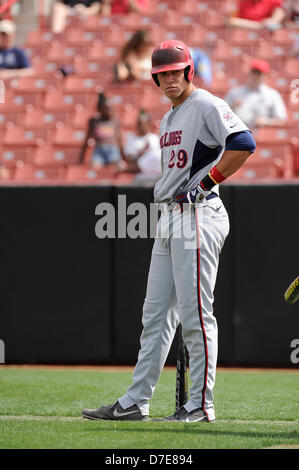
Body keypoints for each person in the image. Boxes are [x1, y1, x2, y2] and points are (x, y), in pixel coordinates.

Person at [82, 39, 256, 423]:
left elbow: (243, 142)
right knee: (156, 315)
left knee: (195, 314)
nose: (169, 78)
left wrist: (207, 182)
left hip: (197, 213)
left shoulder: (207, 104)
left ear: (188, 71)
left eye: (175, 71)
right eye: (161, 74)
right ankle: (136, 401)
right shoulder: (168, 117)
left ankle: (201, 404)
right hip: (169, 215)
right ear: (155, 79)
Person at [224, 59, 288, 128]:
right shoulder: (235, 92)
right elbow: (221, 114)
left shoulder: (272, 94)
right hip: (237, 130)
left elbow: (282, 119)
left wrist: (266, 122)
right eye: (254, 73)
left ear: (265, 76)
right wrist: (232, 107)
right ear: (249, 73)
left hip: (262, 133)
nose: (255, 76)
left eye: (259, 74)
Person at [117, 109, 161, 182]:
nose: (141, 126)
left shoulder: (155, 139)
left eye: (144, 124)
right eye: (139, 124)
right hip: (140, 178)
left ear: (148, 124)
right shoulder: (131, 141)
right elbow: (129, 160)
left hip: (157, 177)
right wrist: (142, 152)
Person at [79, 92, 121, 166]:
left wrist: (124, 158)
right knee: (96, 168)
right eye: (107, 108)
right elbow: (87, 139)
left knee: (113, 168)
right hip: (99, 151)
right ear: (101, 108)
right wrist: (81, 158)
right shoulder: (94, 121)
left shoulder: (115, 122)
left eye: (111, 108)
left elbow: (120, 140)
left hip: (113, 151)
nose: (109, 110)